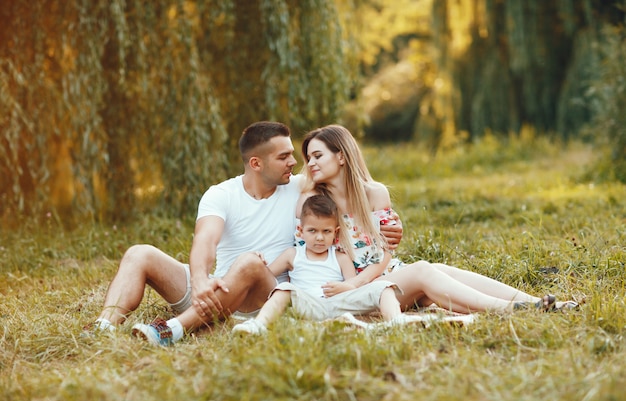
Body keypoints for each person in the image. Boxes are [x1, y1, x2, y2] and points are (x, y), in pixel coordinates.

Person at [91, 121, 403, 345]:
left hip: (264, 294)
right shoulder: (221, 194)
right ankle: (104, 327)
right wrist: (200, 281)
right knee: (139, 253)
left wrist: (388, 226)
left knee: (251, 262)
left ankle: (171, 330)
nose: (296, 163)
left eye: (294, 155)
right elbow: (205, 241)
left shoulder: (302, 188)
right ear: (256, 163)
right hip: (215, 289)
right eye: (284, 157)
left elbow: (350, 196)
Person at [296, 124, 579, 314]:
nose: (311, 164)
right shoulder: (313, 203)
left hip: (385, 275)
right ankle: (508, 309)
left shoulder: (375, 193)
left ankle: (538, 303)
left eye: (318, 155)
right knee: (422, 269)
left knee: (438, 269)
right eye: (308, 158)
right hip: (354, 290)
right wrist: (353, 286)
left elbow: (386, 254)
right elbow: (309, 254)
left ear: (341, 156)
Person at [232, 194, 417, 335]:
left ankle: (395, 321)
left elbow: (352, 283)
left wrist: (344, 287)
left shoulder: (340, 257)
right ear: (301, 231)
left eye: (326, 231)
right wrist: (258, 260)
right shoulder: (293, 255)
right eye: (312, 231)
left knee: (383, 287)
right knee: (284, 289)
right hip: (308, 304)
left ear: (335, 233)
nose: (319, 237)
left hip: (339, 302)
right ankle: (259, 325)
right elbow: (267, 275)